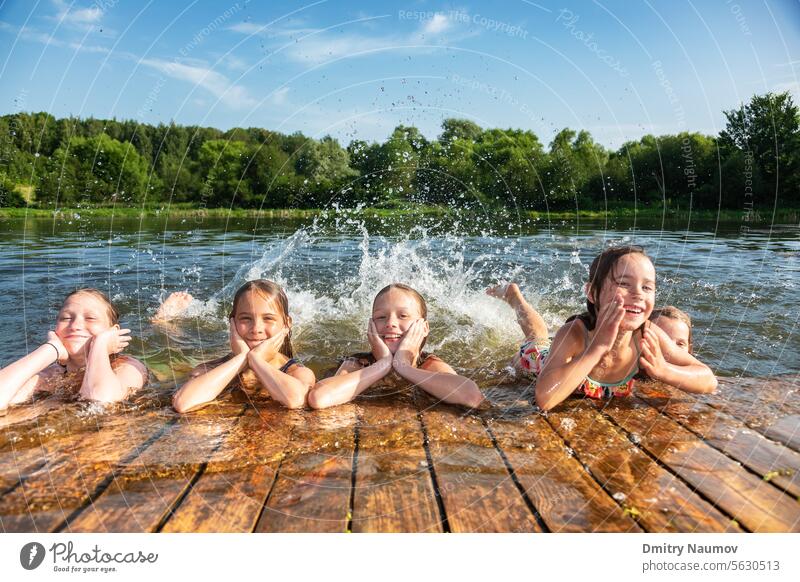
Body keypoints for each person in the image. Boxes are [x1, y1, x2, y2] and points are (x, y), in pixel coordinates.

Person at [487, 245, 717, 411]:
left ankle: (515, 298)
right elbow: (545, 399)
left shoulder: (646, 334)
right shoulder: (575, 333)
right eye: (623, 284)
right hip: (538, 363)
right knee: (537, 337)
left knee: (541, 335)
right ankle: (515, 298)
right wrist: (597, 348)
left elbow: (708, 380)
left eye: (647, 287)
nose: (638, 294)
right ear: (592, 293)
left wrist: (664, 370)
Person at [308, 283, 484, 409]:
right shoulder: (357, 363)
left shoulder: (429, 364)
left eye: (403, 315)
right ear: (371, 326)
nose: (390, 323)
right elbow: (319, 397)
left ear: (424, 328)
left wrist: (405, 367)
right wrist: (383, 364)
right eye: (381, 317)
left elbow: (471, 396)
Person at [170, 280, 315, 412]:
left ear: (287, 324)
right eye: (246, 318)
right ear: (232, 323)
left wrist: (255, 360)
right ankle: (164, 322)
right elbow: (183, 403)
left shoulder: (296, 372)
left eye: (268, 318)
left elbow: (296, 400)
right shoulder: (211, 369)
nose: (256, 328)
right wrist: (241, 359)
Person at [0, 288, 148, 410]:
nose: (75, 326)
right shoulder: (53, 373)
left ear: (113, 331)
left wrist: (100, 344)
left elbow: (101, 403)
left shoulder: (128, 367)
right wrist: (51, 349)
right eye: (66, 318)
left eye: (90, 318)